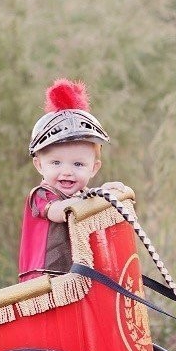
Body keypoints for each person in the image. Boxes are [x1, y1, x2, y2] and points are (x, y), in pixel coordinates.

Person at [18, 79, 127, 282]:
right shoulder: (41, 195)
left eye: (78, 165)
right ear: (39, 165)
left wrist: (106, 195)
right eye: (56, 163)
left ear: (93, 168)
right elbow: (61, 211)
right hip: (43, 281)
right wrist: (95, 199)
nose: (66, 172)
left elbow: (88, 206)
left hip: (76, 277)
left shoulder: (83, 196)